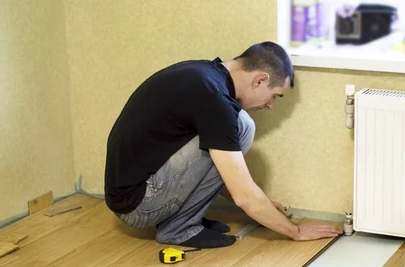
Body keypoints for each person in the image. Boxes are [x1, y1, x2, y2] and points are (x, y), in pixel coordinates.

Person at [104, 42, 343, 248]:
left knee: (239, 125)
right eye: (275, 95)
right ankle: (179, 228)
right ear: (261, 79)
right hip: (139, 205)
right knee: (241, 127)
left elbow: (216, 171)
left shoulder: (204, 76)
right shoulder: (215, 102)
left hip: (135, 192)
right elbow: (243, 196)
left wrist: (264, 206)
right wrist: (296, 231)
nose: (270, 105)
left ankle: (183, 217)